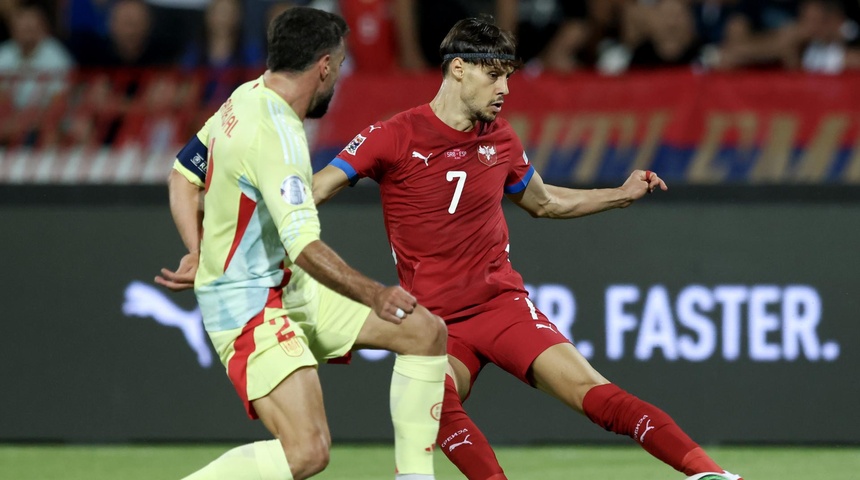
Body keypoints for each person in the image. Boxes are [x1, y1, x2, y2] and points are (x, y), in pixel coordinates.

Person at [162, 14, 744, 480]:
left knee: (593, 393)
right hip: (429, 312)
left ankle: (708, 473)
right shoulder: (393, 136)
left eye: (510, 76)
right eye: (495, 75)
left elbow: (544, 203)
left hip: (499, 305)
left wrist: (618, 195)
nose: (506, 89)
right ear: (458, 69)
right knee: (428, 405)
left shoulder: (502, 139)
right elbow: (310, 195)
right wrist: (224, 244)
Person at [156, 7, 447, 480]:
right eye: (342, 64)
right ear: (324, 66)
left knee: (426, 332)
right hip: (248, 302)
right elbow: (307, 249)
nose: (340, 76)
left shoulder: (245, 97)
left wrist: (198, 248)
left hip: (289, 288)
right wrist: (376, 293)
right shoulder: (279, 138)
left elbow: (182, 176)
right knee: (308, 452)